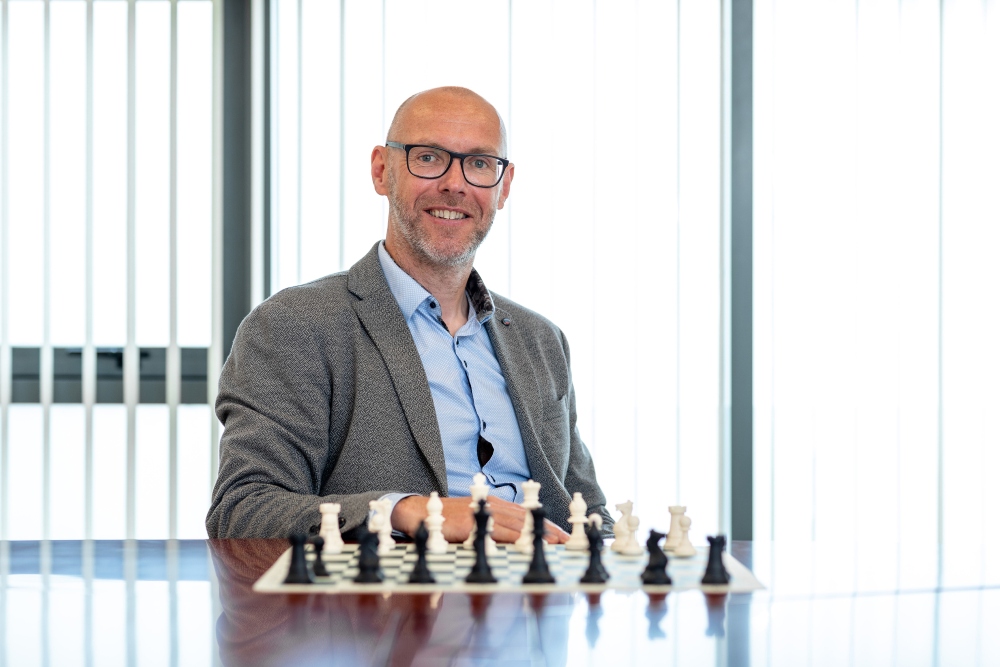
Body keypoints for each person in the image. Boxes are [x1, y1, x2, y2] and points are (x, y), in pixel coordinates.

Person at [206, 86, 610, 541]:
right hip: (393, 606)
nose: (455, 184)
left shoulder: (542, 340)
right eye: (428, 157)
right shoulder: (294, 326)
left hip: (539, 600)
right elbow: (242, 510)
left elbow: (588, 509)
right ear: (382, 171)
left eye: (479, 163)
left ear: (504, 186)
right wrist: (406, 511)